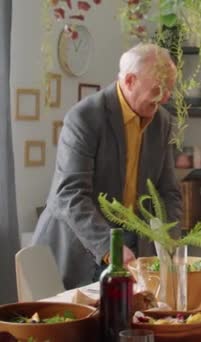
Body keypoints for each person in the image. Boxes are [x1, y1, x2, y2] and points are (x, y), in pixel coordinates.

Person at [32, 43, 182, 290]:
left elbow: (169, 192)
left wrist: (169, 242)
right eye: (159, 87)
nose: (166, 97)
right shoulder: (85, 118)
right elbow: (70, 194)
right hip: (80, 247)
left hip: (134, 244)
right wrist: (108, 247)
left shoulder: (162, 121)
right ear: (131, 81)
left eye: (170, 88)